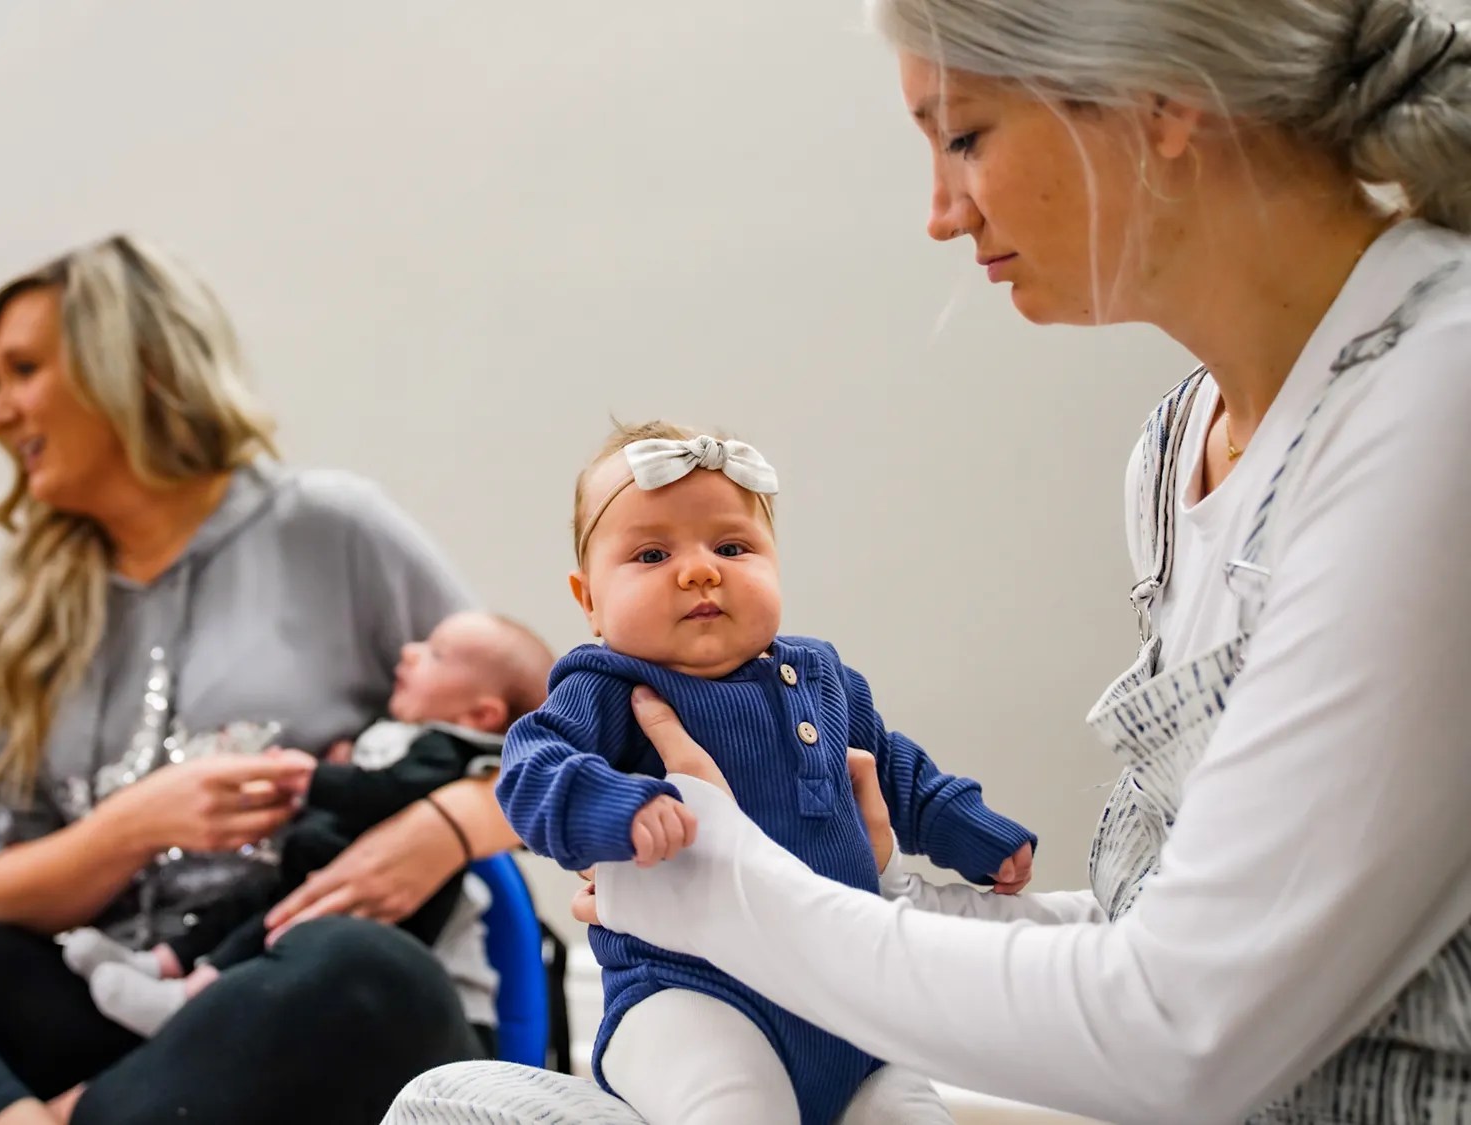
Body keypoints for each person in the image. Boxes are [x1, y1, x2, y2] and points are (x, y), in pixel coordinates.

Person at [385, 1, 1471, 1122]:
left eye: (963, 136)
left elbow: (1186, 1030)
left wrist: (723, 888)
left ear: (1163, 102)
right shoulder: (1177, 445)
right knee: (457, 1103)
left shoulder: (1437, 406)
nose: (943, 215)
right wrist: (877, 893)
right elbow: (1191, 938)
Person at [0, 233, 523, 1125]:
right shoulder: (26, 605)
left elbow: (573, 745)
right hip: (113, 1000)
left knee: (362, 965)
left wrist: (444, 827)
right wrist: (132, 826)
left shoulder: (330, 527)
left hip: (302, 1006)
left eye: (22, 371)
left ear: (129, 365)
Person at [498, 421, 1036, 1125]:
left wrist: (966, 826)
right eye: (653, 554)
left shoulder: (821, 676)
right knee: (735, 1104)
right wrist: (616, 805)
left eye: (731, 547)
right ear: (589, 600)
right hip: (689, 993)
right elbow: (530, 768)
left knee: (910, 1111)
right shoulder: (607, 686)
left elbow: (897, 771)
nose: (700, 571)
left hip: (845, 998)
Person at [62, 609, 554, 1038]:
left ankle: (190, 997)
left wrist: (315, 778)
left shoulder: (447, 753)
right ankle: (159, 963)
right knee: (242, 907)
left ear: (480, 714)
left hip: (347, 898)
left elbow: (385, 792)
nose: (408, 651)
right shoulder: (407, 735)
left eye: (435, 655)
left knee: (268, 932)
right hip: (311, 862)